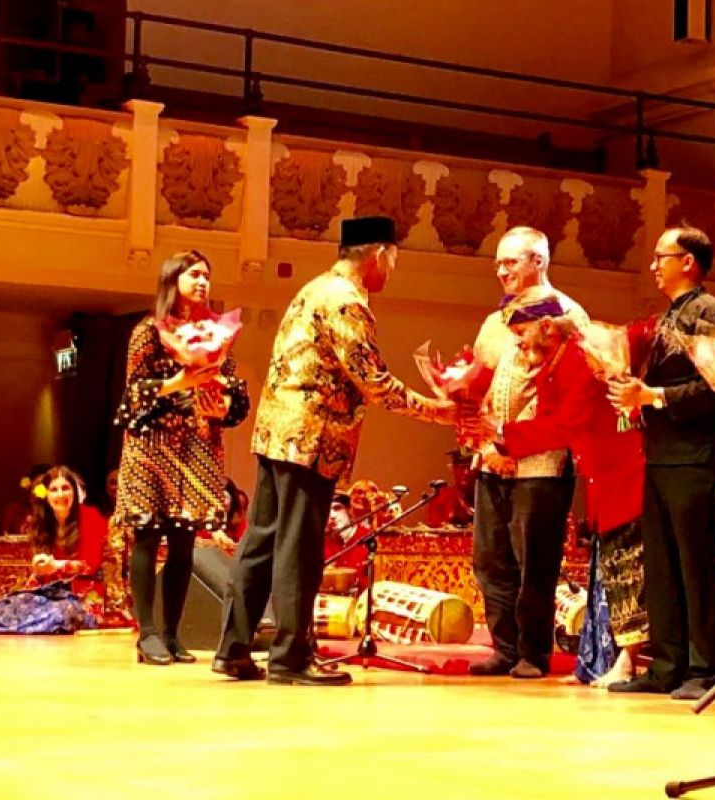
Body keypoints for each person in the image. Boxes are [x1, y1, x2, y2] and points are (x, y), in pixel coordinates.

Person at [214, 216, 451, 686]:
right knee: (299, 548)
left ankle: (233, 648)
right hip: (311, 437)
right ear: (379, 254)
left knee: (261, 540)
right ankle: (290, 657)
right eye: (394, 260)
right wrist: (436, 410)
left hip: (277, 432)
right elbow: (374, 380)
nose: (392, 270)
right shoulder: (347, 302)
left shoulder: (314, 288)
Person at [469, 288, 648, 686]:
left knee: (607, 568)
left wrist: (504, 436)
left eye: (523, 333)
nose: (519, 343)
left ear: (548, 325)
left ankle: (602, 658)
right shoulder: (555, 360)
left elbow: (566, 424)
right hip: (594, 474)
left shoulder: (582, 356)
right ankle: (539, 652)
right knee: (498, 561)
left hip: (615, 470)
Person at [607, 225, 715, 699]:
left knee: (694, 563)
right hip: (663, 455)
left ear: (688, 261)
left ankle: (706, 666)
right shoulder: (671, 315)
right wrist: (632, 394)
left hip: (694, 456)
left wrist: (654, 395)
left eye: (662, 256)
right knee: (661, 565)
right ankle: (667, 663)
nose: (654, 265)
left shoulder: (709, 311)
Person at [112, 250, 250, 665]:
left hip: (197, 446)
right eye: (193, 274)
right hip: (151, 446)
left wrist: (221, 402)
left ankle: (172, 634)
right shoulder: (147, 331)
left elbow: (239, 400)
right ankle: (147, 634)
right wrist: (181, 381)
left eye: (207, 274)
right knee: (147, 535)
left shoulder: (217, 337)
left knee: (184, 542)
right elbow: (134, 395)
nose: (202, 281)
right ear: (172, 281)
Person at [465, 227, 588, 679]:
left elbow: (567, 399)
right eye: (497, 263)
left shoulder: (569, 316)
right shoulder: (493, 322)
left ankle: (533, 653)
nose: (501, 271)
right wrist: (483, 440)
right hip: (491, 457)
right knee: (491, 558)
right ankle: (504, 647)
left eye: (510, 262)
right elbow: (479, 386)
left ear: (539, 261)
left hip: (540, 461)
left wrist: (513, 444)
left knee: (534, 559)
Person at [0, 466, 107, 633]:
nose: (60, 495)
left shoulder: (90, 516)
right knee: (3, 609)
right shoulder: (41, 524)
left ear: (74, 492)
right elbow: (40, 576)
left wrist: (57, 566)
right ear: (46, 495)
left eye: (65, 488)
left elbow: (91, 564)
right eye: (54, 490)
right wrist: (37, 574)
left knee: (61, 612)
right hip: (50, 594)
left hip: (82, 595)